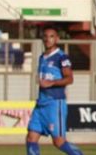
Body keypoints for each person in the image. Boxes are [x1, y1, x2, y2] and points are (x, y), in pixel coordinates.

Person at [26, 26, 84, 155]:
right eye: (45, 36)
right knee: (31, 137)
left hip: (54, 103)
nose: (48, 39)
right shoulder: (42, 57)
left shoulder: (61, 57)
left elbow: (69, 79)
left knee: (59, 142)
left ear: (57, 39)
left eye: (51, 36)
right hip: (41, 103)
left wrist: (52, 83)